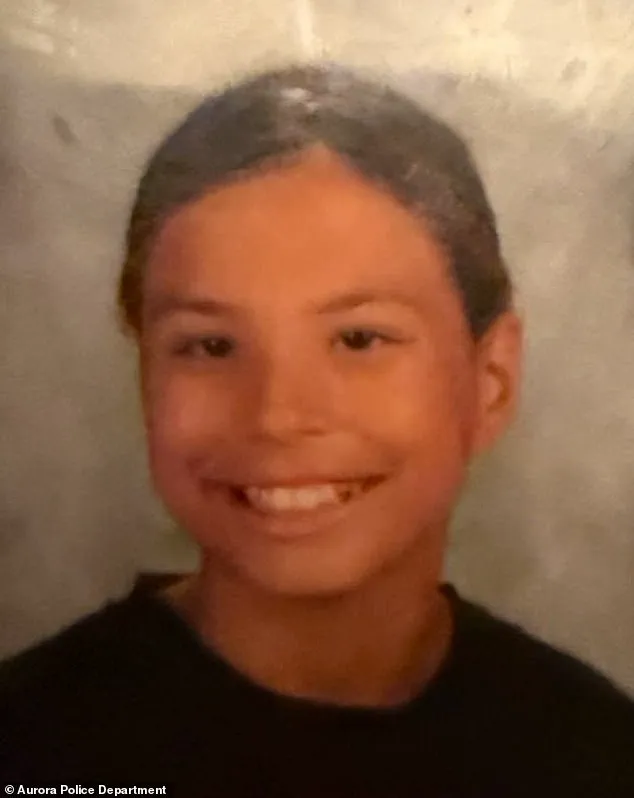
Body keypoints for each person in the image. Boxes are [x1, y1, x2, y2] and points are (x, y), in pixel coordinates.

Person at [1, 63, 632, 796]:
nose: (277, 415)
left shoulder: (595, 756)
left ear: (490, 380)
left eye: (359, 339)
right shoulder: (29, 747)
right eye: (210, 346)